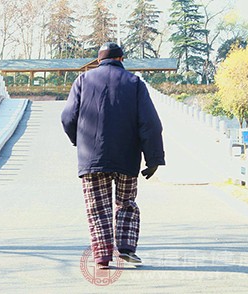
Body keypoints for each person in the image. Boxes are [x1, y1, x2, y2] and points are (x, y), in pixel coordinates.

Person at [61, 42, 165, 269]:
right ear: (121, 59)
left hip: (92, 158)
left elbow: (68, 117)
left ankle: (102, 256)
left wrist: (79, 142)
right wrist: (154, 159)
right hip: (127, 158)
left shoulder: (82, 81)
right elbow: (150, 123)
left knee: (98, 208)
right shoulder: (135, 83)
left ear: (98, 60)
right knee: (126, 202)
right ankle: (127, 248)